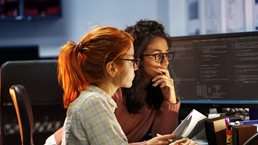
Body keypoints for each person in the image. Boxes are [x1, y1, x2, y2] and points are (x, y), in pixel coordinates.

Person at [112, 19, 198, 145]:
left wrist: (170, 100)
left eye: (167, 54)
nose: (166, 62)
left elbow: (165, 139)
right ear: (137, 57)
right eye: (157, 55)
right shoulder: (115, 92)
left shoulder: (155, 91)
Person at [55, 26, 140, 145]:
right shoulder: (93, 102)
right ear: (112, 68)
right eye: (131, 60)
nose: (135, 67)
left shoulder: (91, 99)